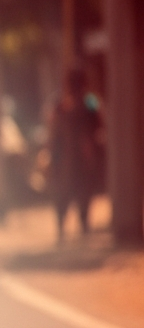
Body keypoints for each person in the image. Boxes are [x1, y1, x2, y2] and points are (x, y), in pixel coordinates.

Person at [47, 68, 104, 242]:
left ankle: (71, 228)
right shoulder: (65, 103)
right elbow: (100, 124)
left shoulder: (87, 102)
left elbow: (99, 124)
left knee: (72, 193)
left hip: (73, 156)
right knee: (72, 193)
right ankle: (72, 228)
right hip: (72, 156)